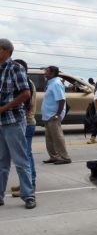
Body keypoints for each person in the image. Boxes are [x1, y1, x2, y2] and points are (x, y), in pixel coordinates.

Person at [0, 38, 35, 208]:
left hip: (13, 120)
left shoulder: (15, 68)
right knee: (1, 162)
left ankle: (28, 196)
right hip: (1, 122)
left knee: (20, 160)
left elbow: (25, 93)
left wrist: (4, 107)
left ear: (5, 51)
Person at [10, 60, 37, 197]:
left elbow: (25, 105)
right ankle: (25, 184)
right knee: (25, 155)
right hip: (27, 123)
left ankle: (29, 186)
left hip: (26, 123)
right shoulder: (26, 81)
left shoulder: (25, 83)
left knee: (25, 156)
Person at [41, 66, 71, 164]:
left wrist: (58, 114)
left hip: (53, 115)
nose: (45, 73)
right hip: (48, 115)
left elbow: (61, 100)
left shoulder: (56, 84)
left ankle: (65, 157)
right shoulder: (51, 83)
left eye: (47, 71)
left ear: (53, 73)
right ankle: (54, 156)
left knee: (57, 137)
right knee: (49, 138)